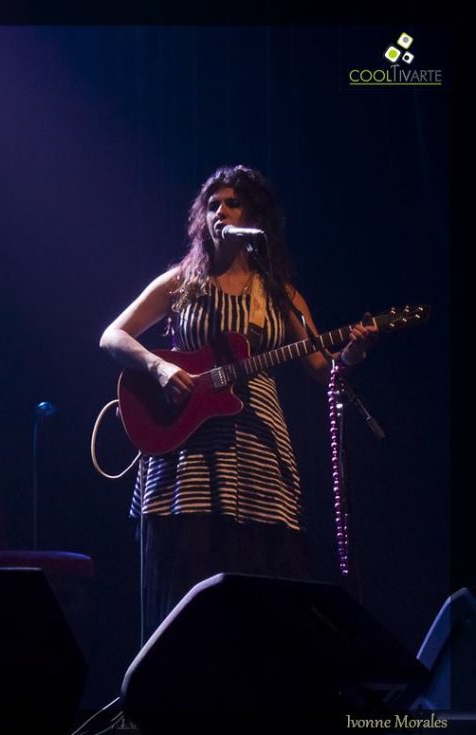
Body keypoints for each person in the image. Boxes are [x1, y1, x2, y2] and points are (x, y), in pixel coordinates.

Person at [99, 165, 377, 643]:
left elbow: (318, 366)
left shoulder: (279, 294)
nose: (221, 212)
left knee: (259, 585)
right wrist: (160, 368)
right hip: (185, 451)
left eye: (232, 204)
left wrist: (348, 354)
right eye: (212, 205)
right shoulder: (180, 283)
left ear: (255, 216)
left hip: (258, 455)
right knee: (187, 579)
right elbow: (113, 335)